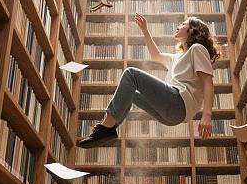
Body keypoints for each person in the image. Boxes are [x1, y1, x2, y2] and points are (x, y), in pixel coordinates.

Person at [78, 13, 220, 148]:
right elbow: (156, 55)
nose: (179, 25)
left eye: (183, 24)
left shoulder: (197, 49)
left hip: (178, 103)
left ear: (192, 30)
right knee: (131, 93)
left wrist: (206, 115)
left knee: (131, 74)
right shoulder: (176, 57)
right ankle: (111, 127)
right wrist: (145, 30)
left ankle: (106, 128)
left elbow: (208, 82)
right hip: (173, 116)